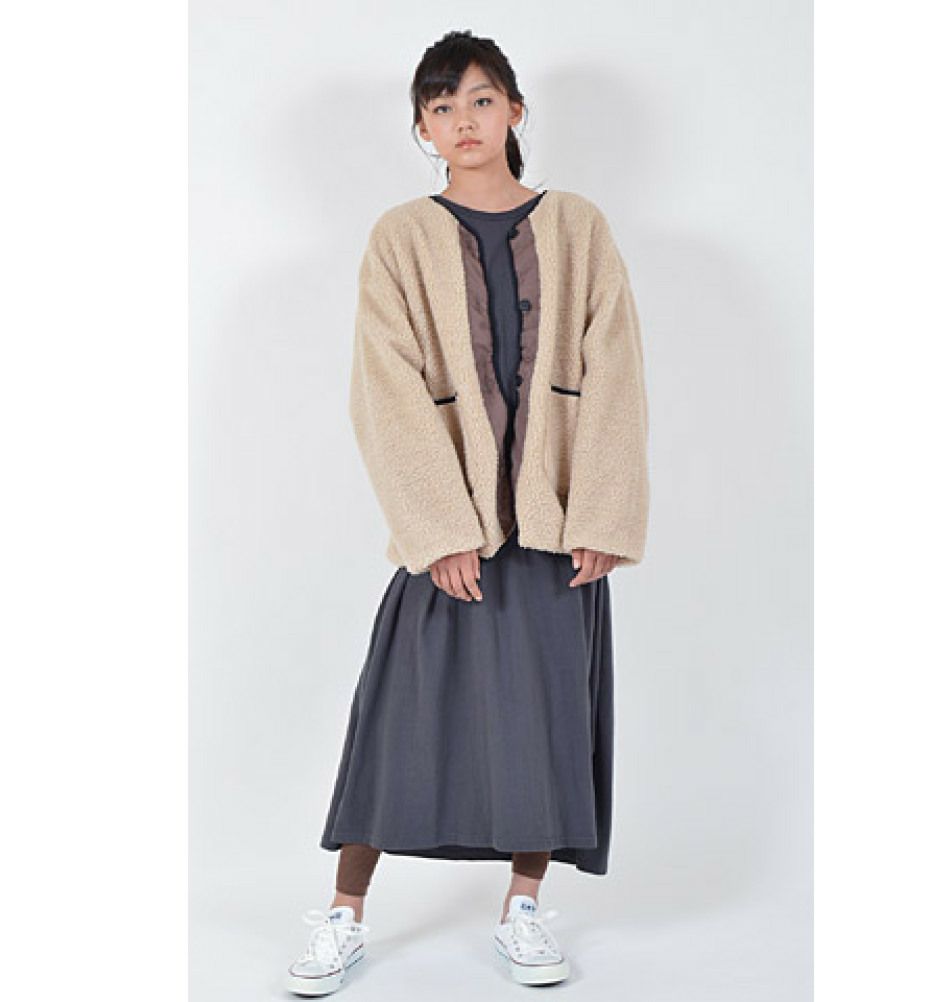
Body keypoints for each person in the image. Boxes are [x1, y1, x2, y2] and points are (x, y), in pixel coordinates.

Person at [287, 29, 650, 996]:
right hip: (454, 529)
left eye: (480, 100)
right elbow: (385, 384)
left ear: (515, 111)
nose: (463, 121)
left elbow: (615, 366)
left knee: (546, 723)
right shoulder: (400, 236)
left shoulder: (578, 226)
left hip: (556, 527)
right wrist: (440, 528)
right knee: (397, 716)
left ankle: (522, 909)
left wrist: (603, 510)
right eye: (441, 107)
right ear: (422, 128)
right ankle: (344, 916)